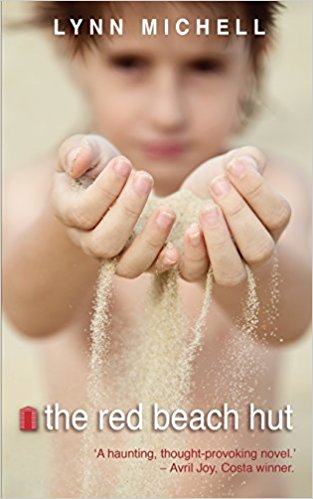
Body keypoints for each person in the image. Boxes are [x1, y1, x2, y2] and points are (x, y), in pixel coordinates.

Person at [3, 2, 311, 497]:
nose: (168, 112)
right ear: (74, 50)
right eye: (130, 63)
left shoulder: (276, 192)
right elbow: (31, 312)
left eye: (205, 66)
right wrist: (70, 230)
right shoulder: (35, 194)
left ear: (256, 55)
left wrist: (243, 243)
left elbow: (288, 321)